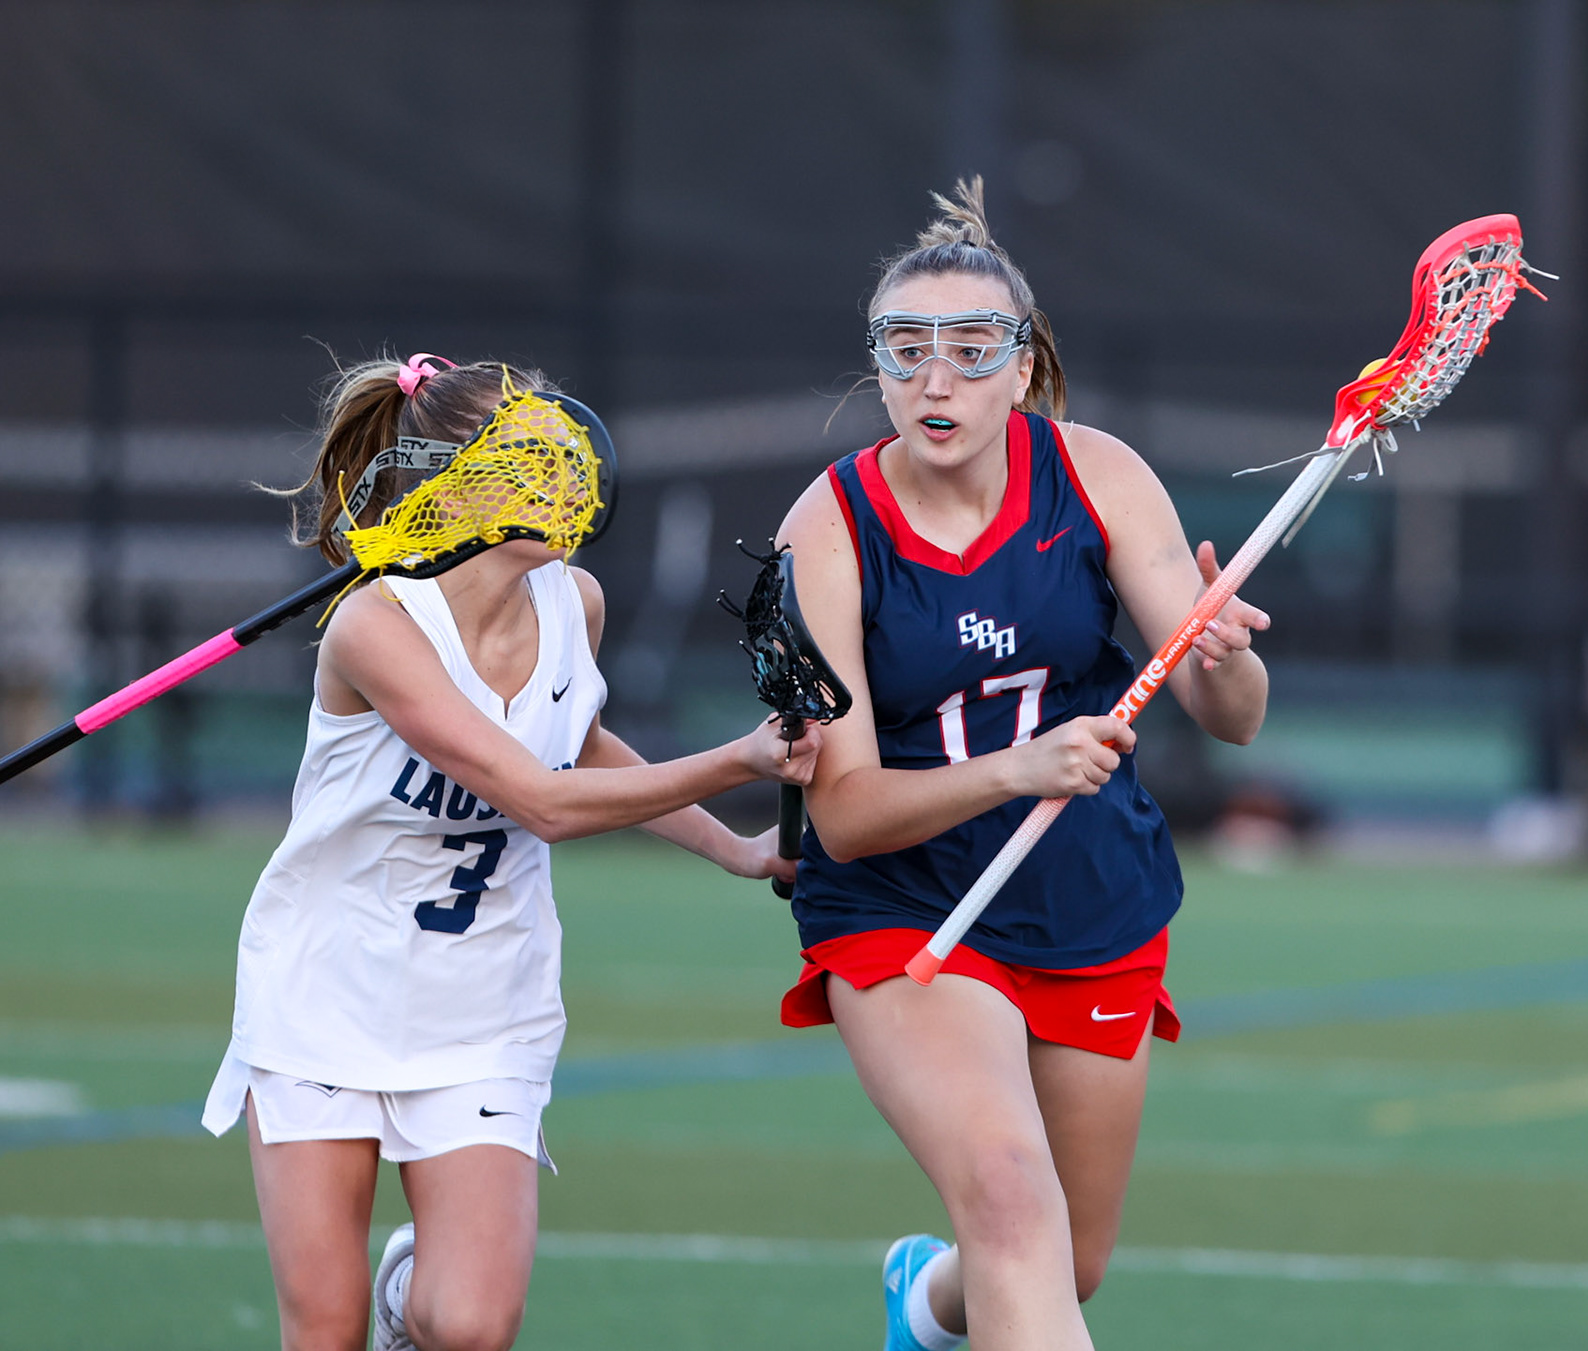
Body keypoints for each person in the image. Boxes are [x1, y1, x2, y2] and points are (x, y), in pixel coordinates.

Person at [200, 354, 822, 1351]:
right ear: (457, 483)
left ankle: (411, 1297)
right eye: (529, 458)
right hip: (324, 990)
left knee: (470, 1325)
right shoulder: (374, 627)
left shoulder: (575, 603)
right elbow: (541, 800)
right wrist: (737, 759)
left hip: (486, 1005)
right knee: (323, 1330)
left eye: (559, 454)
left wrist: (732, 848)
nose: (563, 479)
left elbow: (578, 742)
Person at [777, 180, 1270, 1351]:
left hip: (1087, 895)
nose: (935, 379)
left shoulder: (1098, 474)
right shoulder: (827, 530)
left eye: (970, 347)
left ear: (1021, 364)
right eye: (905, 349)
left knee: (1065, 1262)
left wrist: (1226, 653)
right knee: (1009, 1198)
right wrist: (1020, 768)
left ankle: (925, 1303)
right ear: (878, 369)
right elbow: (845, 815)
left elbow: (1233, 718)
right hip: (908, 906)